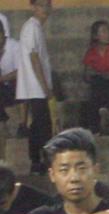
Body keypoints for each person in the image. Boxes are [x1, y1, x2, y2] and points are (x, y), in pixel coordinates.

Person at [16, 0, 53, 175]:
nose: (45, 9)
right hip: (35, 87)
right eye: (41, 5)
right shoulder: (31, 27)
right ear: (33, 7)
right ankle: (38, 160)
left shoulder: (36, 27)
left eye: (47, 5)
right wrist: (45, 87)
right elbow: (34, 57)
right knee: (42, 126)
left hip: (37, 87)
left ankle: (38, 160)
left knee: (40, 124)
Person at [0, 23, 26, 137]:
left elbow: (21, 71)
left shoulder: (14, 46)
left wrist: (2, 79)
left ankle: (22, 125)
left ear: (2, 34)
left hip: (15, 84)